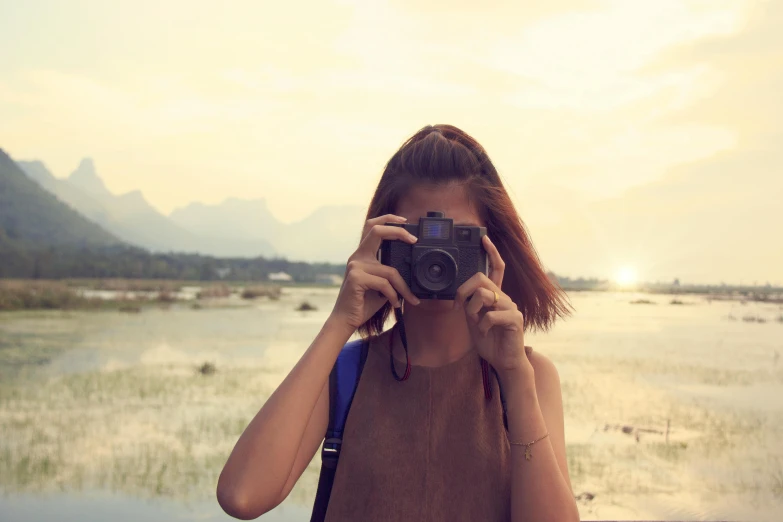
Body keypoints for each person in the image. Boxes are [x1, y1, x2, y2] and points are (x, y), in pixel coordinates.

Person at [216, 124, 579, 521]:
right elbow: (242, 496)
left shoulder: (530, 377)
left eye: (456, 238)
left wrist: (515, 378)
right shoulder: (346, 373)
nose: (436, 257)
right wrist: (341, 322)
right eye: (417, 237)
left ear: (491, 247)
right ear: (383, 240)